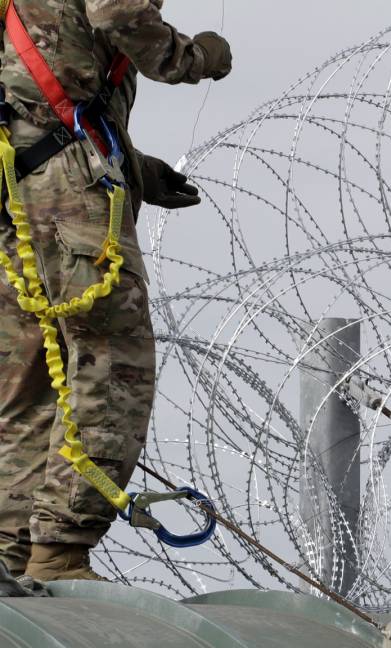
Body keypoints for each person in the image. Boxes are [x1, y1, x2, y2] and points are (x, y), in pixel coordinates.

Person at [0, 0, 232, 580]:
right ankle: (58, 547)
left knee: (31, 377)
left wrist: (135, 168)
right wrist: (197, 57)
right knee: (112, 360)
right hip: (63, 187)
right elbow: (116, 13)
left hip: (17, 180)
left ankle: (15, 548)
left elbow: (45, 91)